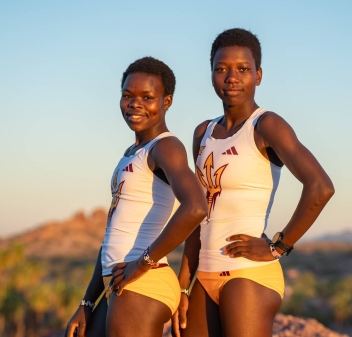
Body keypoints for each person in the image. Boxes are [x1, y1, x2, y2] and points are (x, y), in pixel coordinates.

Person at [172, 28, 335, 337]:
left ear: (258, 75)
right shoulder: (202, 133)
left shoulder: (266, 125)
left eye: (243, 69)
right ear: (211, 74)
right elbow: (197, 211)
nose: (232, 77)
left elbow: (321, 186)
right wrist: (182, 285)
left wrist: (279, 246)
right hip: (203, 276)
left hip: (247, 275)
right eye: (222, 69)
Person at [66, 56, 207, 337]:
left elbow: (196, 207)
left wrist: (144, 262)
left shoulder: (166, 147)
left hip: (143, 280)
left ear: (166, 101)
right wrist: (87, 301)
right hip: (118, 281)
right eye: (127, 96)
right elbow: (112, 234)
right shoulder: (130, 155)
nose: (134, 104)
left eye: (147, 97)